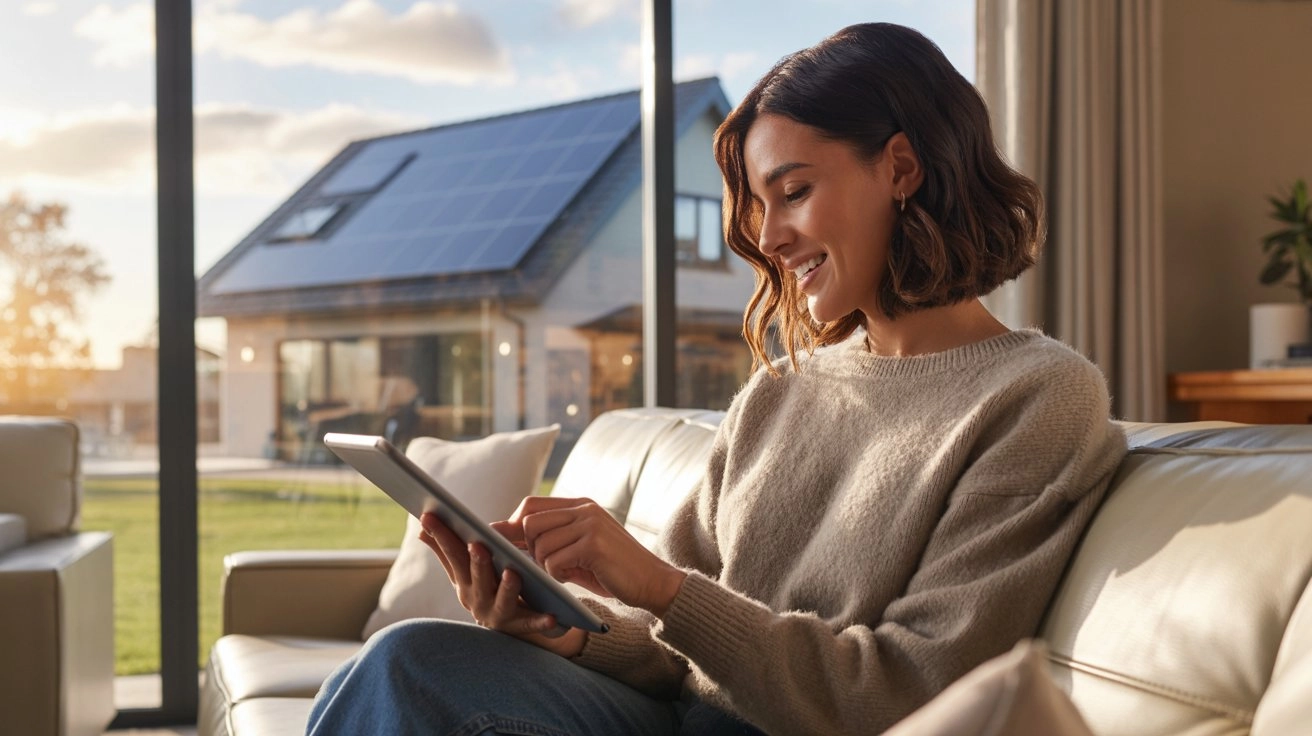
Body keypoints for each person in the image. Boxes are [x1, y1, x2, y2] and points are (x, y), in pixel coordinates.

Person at [307, 22, 1128, 736]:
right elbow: (674, 654)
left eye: (794, 192)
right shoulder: (783, 392)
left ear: (902, 168)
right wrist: (569, 627)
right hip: (678, 719)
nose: (768, 238)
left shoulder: (1037, 398)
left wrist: (663, 586)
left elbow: (905, 693)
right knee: (405, 659)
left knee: (405, 671)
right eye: (758, 207)